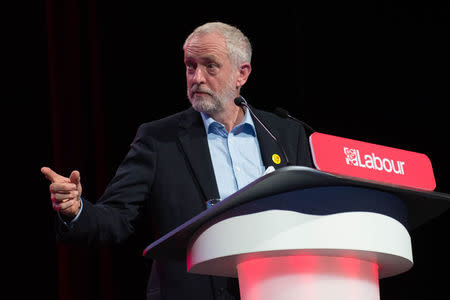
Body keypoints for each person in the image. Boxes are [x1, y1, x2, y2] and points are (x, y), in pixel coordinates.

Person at [41, 22, 313, 300]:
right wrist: (75, 210)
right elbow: (117, 218)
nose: (197, 78)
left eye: (210, 66)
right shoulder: (160, 139)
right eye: (190, 66)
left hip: (278, 288)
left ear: (241, 74)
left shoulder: (285, 133)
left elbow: (310, 214)